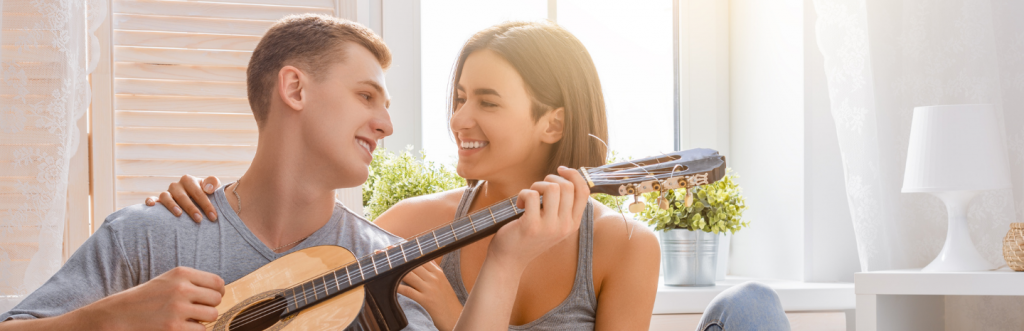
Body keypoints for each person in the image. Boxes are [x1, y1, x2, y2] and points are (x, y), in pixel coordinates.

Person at [0, 15, 590, 331]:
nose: (386, 124)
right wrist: (111, 318)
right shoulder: (149, 235)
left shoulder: (386, 265)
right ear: (295, 88)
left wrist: (510, 258)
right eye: (366, 96)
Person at [152, 21, 664, 330]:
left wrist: (452, 318)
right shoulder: (409, 225)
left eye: (486, 101)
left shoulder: (622, 246)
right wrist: (215, 208)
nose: (460, 119)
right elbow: (295, 260)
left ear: (552, 121)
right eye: (460, 98)